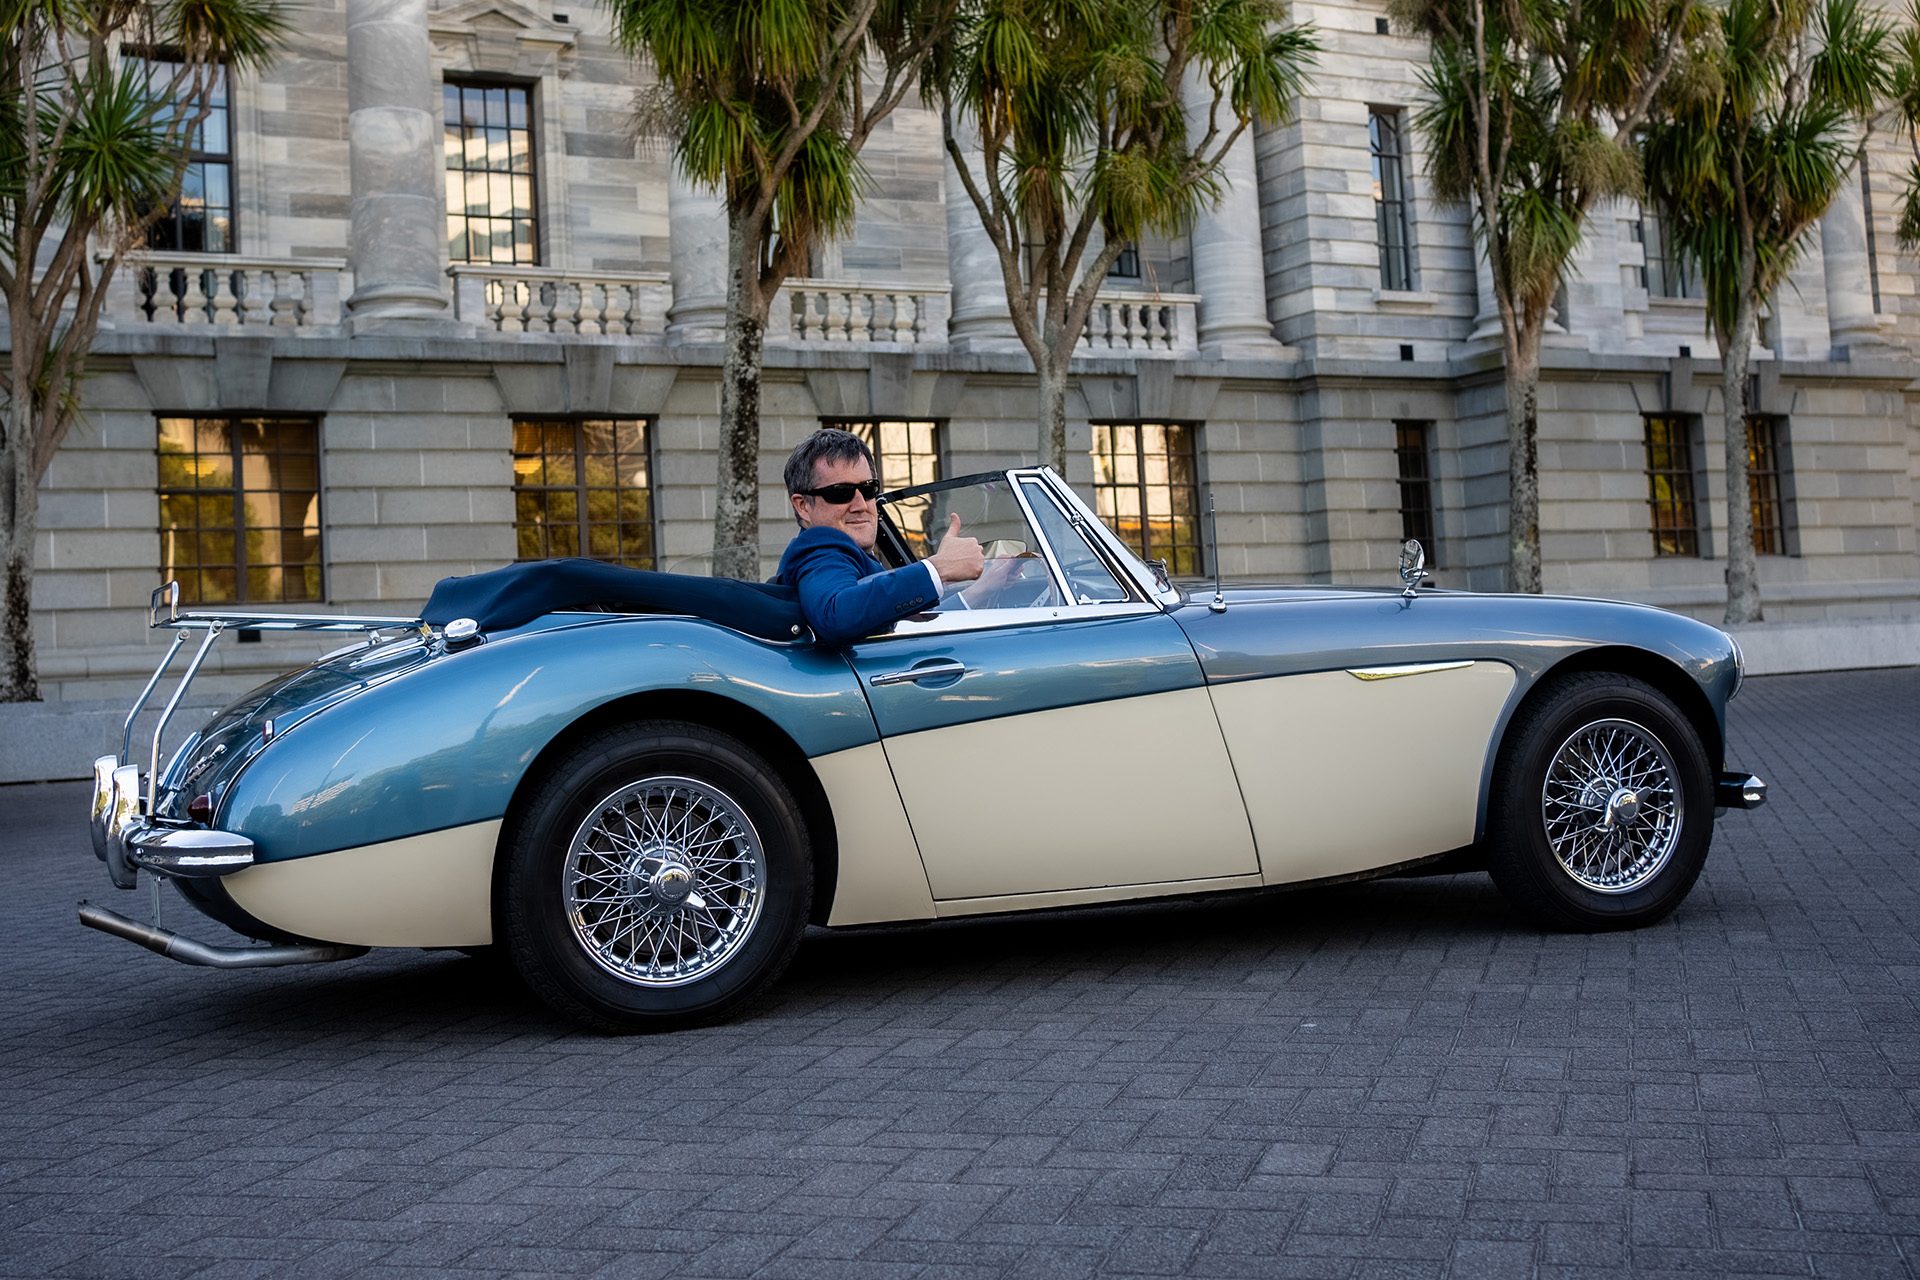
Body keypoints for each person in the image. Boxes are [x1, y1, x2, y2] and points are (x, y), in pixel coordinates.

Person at [773, 429, 985, 645]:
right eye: (840, 492)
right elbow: (836, 615)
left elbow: (890, 617)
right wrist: (939, 568)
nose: (861, 505)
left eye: (868, 489)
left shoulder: (842, 554)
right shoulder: (821, 550)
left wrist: (983, 589)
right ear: (803, 506)